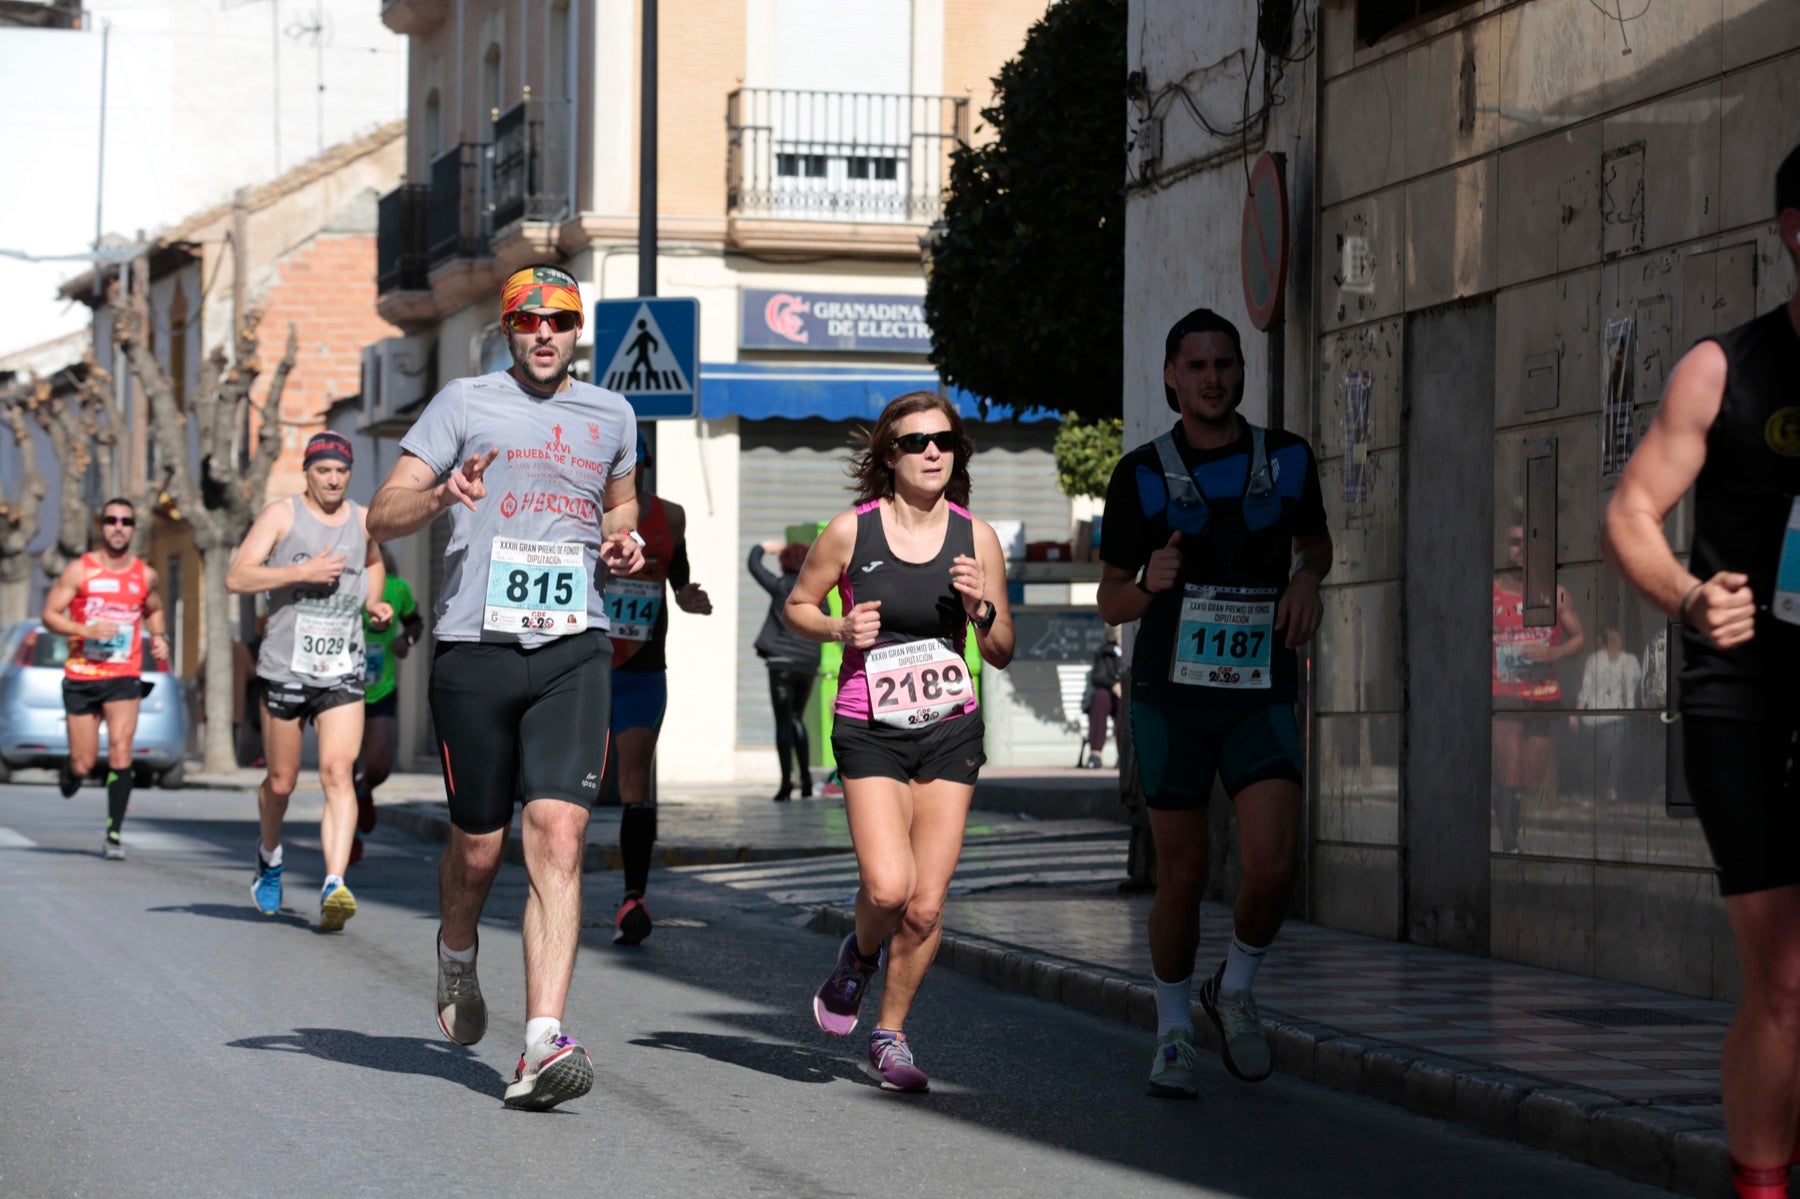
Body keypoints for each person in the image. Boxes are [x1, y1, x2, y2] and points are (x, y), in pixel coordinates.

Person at [366, 262, 643, 1111]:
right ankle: (457, 948)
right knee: (479, 848)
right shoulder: (462, 402)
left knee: (559, 834)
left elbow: (621, 505)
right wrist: (443, 492)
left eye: (559, 320)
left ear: (577, 330)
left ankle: (542, 1039)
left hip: (573, 644)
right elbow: (382, 512)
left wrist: (623, 544)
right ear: (509, 330)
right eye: (529, 322)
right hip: (474, 648)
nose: (545, 335)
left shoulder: (613, 414)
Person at [1602, 144, 1800, 1199]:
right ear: (1795, 232)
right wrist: (1687, 593)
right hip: (1749, 697)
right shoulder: (1725, 369)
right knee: (1785, 977)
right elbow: (1630, 513)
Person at [1096, 308, 1330, 1100]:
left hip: (1259, 689)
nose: (1212, 378)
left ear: (1242, 371)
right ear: (1171, 376)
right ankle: (1170, 1030)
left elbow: (1316, 542)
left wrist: (1305, 578)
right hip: (1170, 701)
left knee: (1270, 866)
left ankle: (1232, 987)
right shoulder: (1139, 474)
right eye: (1196, 365)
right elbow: (1109, 600)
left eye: (1225, 363)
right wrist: (1144, 585)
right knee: (1185, 875)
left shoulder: (1289, 458)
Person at [784, 390, 1014, 1093]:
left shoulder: (977, 538)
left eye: (943, 440)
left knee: (926, 904)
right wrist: (836, 629)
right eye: (915, 442)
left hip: (949, 727)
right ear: (889, 455)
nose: (933, 452)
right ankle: (858, 953)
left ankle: (890, 1033)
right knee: (888, 887)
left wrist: (981, 611)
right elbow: (797, 604)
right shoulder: (852, 532)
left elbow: (1002, 648)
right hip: (871, 726)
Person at [227, 432, 392, 929]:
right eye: (324, 471)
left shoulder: (363, 521)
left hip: (342, 667)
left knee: (339, 773)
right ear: (308, 472)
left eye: (341, 471)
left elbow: (374, 562)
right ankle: (270, 855)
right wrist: (301, 573)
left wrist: (374, 604)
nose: (334, 479)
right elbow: (238, 576)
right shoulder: (282, 516)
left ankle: (334, 881)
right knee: (282, 781)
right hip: (286, 666)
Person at [606, 430, 712, 946]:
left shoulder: (669, 517)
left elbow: (679, 576)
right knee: (568, 787)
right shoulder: (584, 513)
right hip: (584, 666)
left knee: (633, 783)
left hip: (642, 668)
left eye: (634, 467)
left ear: (646, 467)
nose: (625, 477)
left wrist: (689, 595)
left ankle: (634, 895)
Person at [40, 498, 171, 859]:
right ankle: (73, 769)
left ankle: (113, 834)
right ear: (101, 525)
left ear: (133, 528)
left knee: (120, 748)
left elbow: (155, 610)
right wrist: (86, 629)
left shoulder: (145, 575)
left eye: (126, 521)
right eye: (112, 520)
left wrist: (159, 638)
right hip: (82, 672)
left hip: (122, 674)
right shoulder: (79, 571)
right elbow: (50, 615)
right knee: (84, 762)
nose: (118, 527)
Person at [1492, 513, 1584, 850]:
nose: (1520, 550)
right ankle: (1508, 839)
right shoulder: (1493, 594)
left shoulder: (1555, 593)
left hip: (1544, 696)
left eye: (1526, 543)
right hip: (1505, 696)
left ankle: (1506, 808)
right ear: (1505, 547)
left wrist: (1553, 654)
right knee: (1509, 772)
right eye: (1514, 542)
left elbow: (1579, 638)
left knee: (1531, 779)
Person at [351, 546, 424, 865]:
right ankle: (348, 839)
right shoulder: (344, 587)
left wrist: (404, 641)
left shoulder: (398, 589)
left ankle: (365, 790)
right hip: (344, 690)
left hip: (381, 689)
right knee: (342, 769)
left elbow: (415, 625)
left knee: (380, 764)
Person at [749, 538, 821, 800]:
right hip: (807, 663)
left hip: (781, 662)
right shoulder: (817, 591)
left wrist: (763, 547)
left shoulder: (782, 586)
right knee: (796, 719)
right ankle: (806, 779)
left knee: (783, 722)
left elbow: (753, 565)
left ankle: (785, 783)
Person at [1571, 627, 1641, 803]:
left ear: (1598, 640)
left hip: (1592, 718)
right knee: (1614, 757)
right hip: (1617, 717)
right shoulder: (1630, 660)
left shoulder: (1593, 660)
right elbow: (1636, 683)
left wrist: (1575, 714)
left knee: (1590, 758)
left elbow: (1585, 690)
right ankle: (1612, 791)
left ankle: (1589, 796)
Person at [1084, 625, 1123, 768]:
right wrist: (1113, 685)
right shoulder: (1104, 652)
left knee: (1124, 702)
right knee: (1100, 697)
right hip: (1107, 695)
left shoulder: (1134, 651)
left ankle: (1123, 755)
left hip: (1122, 698)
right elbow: (1098, 677)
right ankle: (1095, 754)